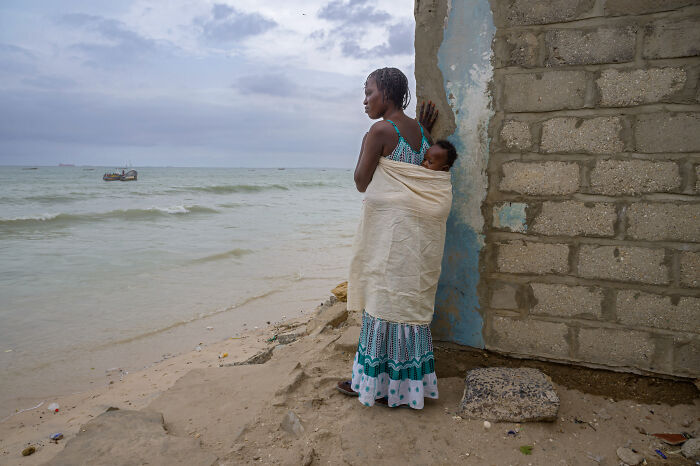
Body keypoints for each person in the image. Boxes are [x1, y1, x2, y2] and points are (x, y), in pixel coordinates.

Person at [337, 67, 453, 409]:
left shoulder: (380, 131)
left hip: (391, 240)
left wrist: (368, 140)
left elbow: (361, 181)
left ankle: (371, 385)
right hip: (413, 242)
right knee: (404, 306)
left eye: (369, 92)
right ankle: (407, 387)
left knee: (381, 304)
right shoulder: (420, 132)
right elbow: (419, 170)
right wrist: (425, 130)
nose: (365, 100)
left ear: (386, 94)